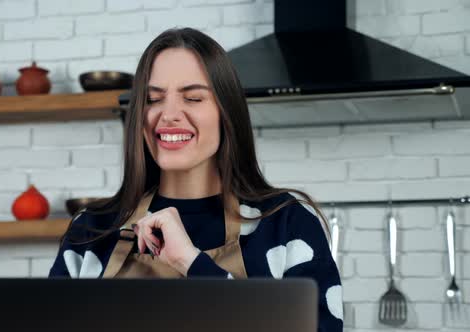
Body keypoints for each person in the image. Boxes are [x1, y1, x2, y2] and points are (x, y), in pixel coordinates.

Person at [49, 27, 343, 331]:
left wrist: (192, 263)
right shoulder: (92, 230)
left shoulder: (285, 225)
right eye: (153, 99)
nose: (169, 114)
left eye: (192, 97)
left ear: (225, 112)